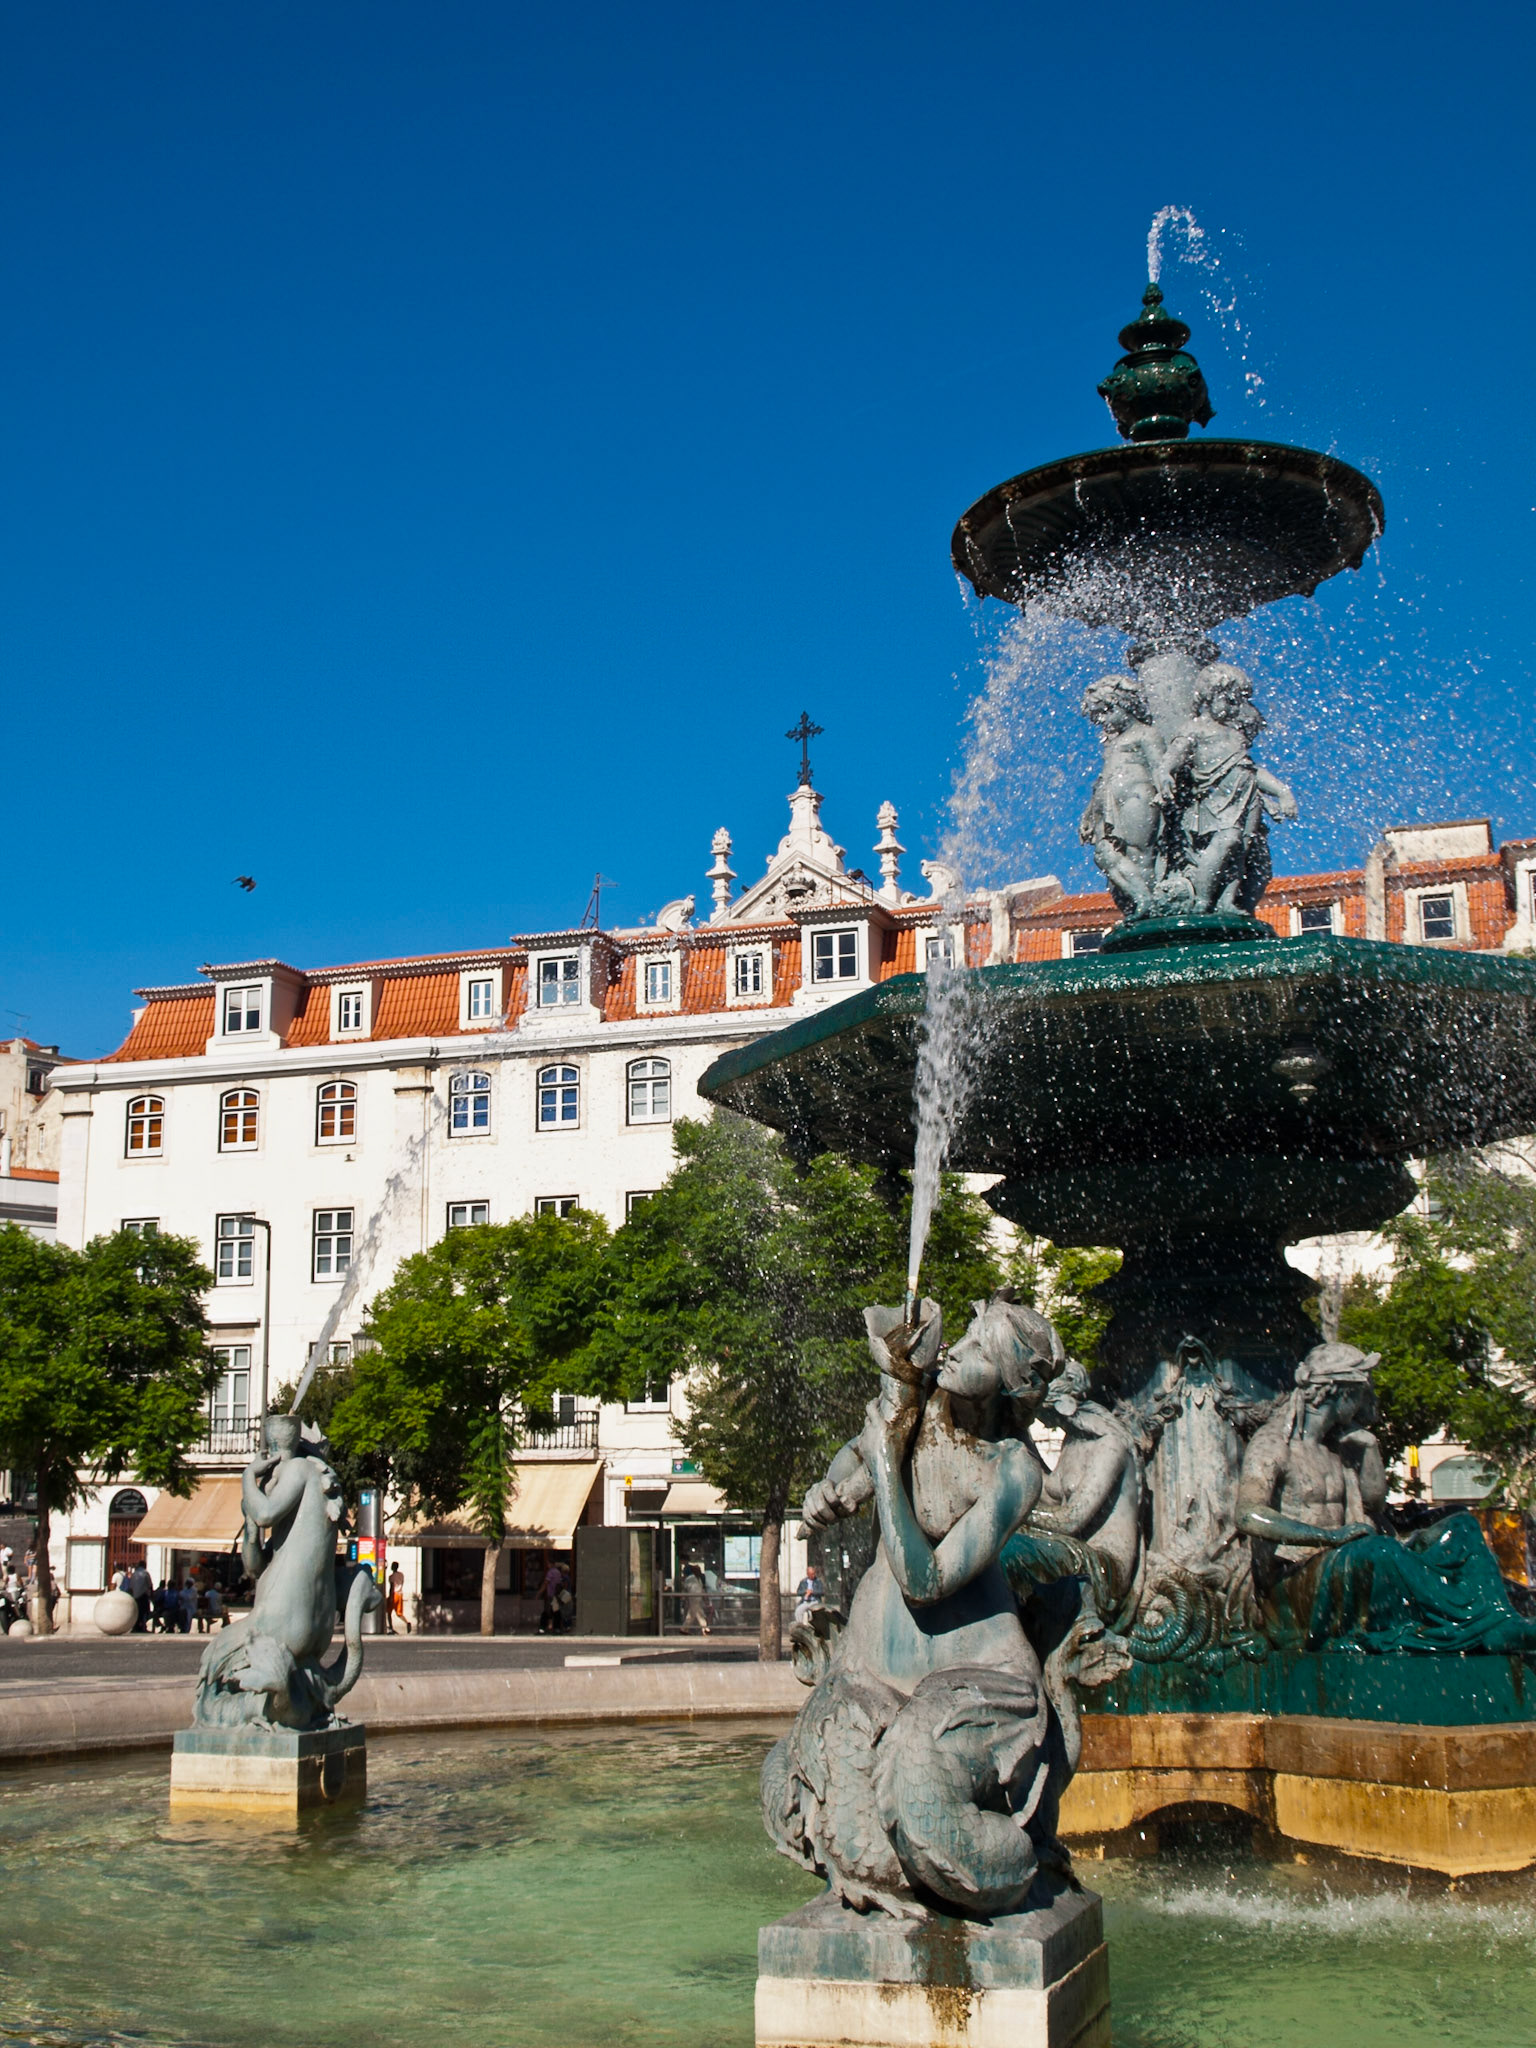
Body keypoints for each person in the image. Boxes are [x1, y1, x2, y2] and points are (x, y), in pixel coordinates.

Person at [681, 1558, 710, 1636]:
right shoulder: (697, 1578)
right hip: (697, 1596)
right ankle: (705, 1628)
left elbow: (685, 1588)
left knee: (694, 1612)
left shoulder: (689, 1579)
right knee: (697, 1612)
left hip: (693, 1596)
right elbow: (702, 1588)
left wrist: (683, 1597)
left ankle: (684, 1628)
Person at [538, 1558, 564, 1635]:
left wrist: (539, 1593)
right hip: (556, 1595)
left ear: (551, 1564)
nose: (547, 1565)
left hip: (551, 1596)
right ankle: (557, 1629)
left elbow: (546, 1583)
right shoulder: (558, 1572)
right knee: (556, 1612)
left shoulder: (550, 1572)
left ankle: (542, 1629)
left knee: (546, 1612)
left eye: (548, 1563)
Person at [387, 1561, 411, 1634]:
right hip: (400, 1594)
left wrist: (390, 1597)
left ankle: (391, 1627)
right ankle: (407, 1622)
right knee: (399, 1613)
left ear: (392, 1567)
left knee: (389, 1612)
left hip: (394, 1594)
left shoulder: (391, 1577)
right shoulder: (401, 1575)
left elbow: (391, 1587)